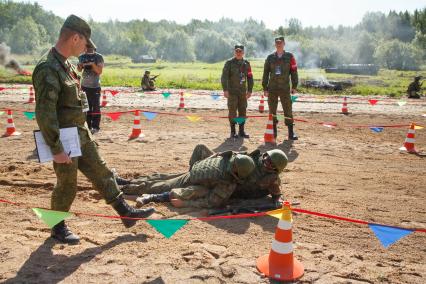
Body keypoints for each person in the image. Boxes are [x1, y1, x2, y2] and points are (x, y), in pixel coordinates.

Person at [32, 15, 155, 244]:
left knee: (101, 171)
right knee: (67, 185)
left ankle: (125, 213)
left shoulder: (67, 64)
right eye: (85, 43)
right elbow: (45, 113)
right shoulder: (47, 68)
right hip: (64, 139)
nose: (86, 48)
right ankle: (57, 228)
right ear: (75, 37)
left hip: (80, 134)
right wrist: (56, 148)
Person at [121, 144, 287, 207]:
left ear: (275, 169)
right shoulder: (251, 159)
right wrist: (206, 164)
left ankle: (125, 186)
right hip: (216, 178)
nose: (265, 161)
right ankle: (126, 183)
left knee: (164, 185)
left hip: (217, 186)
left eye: (270, 163)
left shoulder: (270, 179)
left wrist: (277, 198)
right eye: (267, 157)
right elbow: (232, 156)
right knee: (163, 178)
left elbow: (276, 191)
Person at [262, 36, 299, 140]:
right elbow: (265, 73)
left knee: (288, 109)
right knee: (272, 110)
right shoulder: (270, 58)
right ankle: (273, 132)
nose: (279, 44)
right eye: (277, 43)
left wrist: (294, 86)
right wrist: (265, 88)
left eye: (280, 43)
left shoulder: (290, 56)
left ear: (284, 44)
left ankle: (291, 133)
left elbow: (294, 72)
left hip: (285, 88)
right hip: (272, 88)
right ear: (275, 44)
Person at [221, 44, 253, 139]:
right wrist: (225, 90)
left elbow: (250, 77)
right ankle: (233, 131)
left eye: (240, 51)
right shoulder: (229, 63)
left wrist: (250, 90)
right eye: (237, 51)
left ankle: (241, 131)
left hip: (243, 92)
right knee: (232, 112)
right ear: (234, 52)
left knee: (243, 111)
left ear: (243, 52)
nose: (238, 53)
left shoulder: (247, 64)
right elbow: (224, 77)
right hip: (232, 92)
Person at [77, 46, 104, 134]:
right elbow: (79, 70)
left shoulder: (99, 57)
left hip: (95, 86)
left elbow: (99, 71)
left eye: (90, 47)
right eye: (87, 47)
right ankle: (87, 126)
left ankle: (95, 127)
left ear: (94, 48)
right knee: (86, 108)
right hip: (84, 86)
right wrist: (81, 66)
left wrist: (92, 65)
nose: (89, 49)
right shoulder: (81, 57)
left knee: (96, 107)